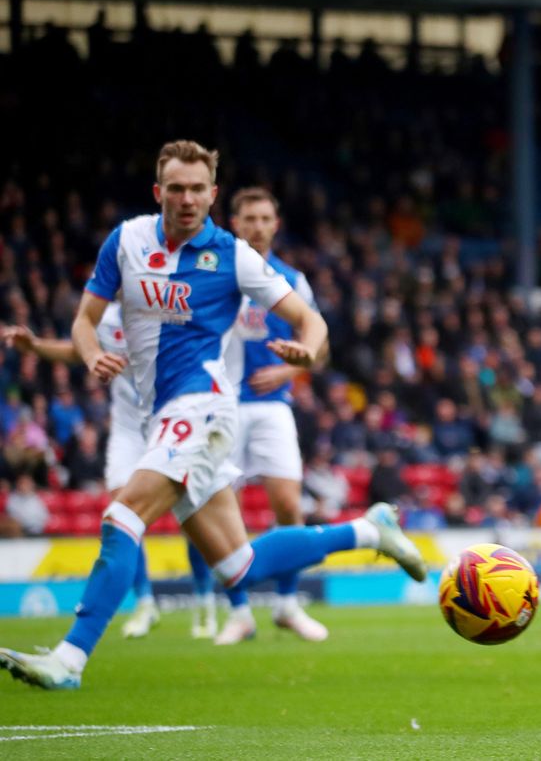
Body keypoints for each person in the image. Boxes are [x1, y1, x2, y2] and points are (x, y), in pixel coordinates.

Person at [0, 140, 426, 691]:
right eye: (175, 188)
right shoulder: (126, 240)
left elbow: (309, 319)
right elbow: (86, 320)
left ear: (212, 194)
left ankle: (70, 658)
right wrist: (88, 354)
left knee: (122, 515)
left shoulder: (233, 255)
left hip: (204, 406)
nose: (186, 198)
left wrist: (304, 349)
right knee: (239, 566)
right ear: (159, 193)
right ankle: (369, 530)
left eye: (198, 188)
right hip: (161, 415)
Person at [3, 303, 167, 638]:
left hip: (170, 422)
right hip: (126, 430)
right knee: (123, 515)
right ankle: (146, 602)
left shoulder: (168, 305)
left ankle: (229, 605)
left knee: (197, 516)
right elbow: (78, 350)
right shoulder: (107, 318)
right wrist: (35, 346)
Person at [208, 186, 328, 645]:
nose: (257, 225)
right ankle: (239, 612)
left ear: (276, 224)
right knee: (224, 514)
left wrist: (287, 369)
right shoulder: (217, 272)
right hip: (220, 406)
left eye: (264, 218)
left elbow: (321, 346)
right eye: (248, 218)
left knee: (289, 507)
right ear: (233, 223)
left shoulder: (291, 280)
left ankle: (287, 605)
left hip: (272, 406)